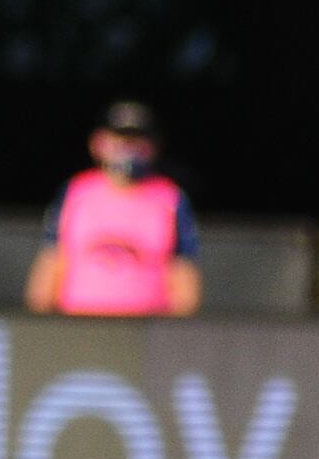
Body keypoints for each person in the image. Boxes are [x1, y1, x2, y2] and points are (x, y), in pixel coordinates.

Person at [24, 100, 201, 317]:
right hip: (78, 324)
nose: (128, 148)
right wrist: (41, 320)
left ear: (153, 145)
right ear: (98, 142)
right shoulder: (76, 192)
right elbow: (52, 258)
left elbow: (183, 271)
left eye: (136, 140)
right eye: (120, 138)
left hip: (146, 331)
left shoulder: (170, 198)